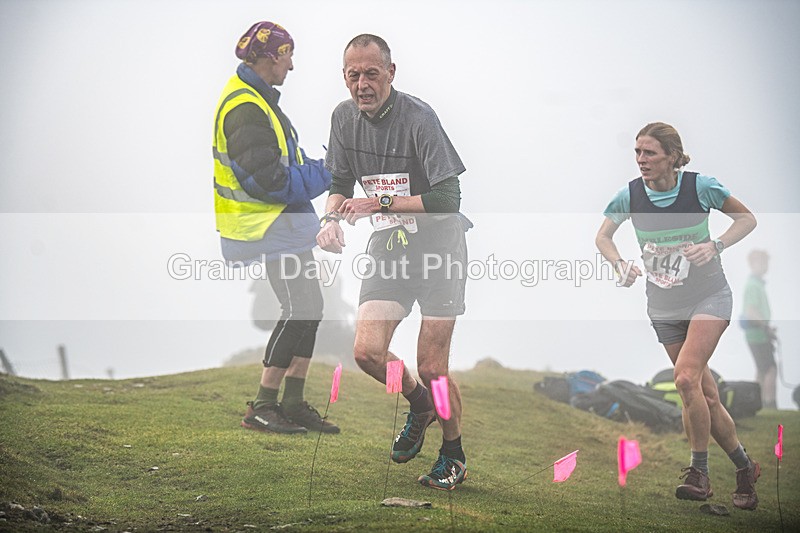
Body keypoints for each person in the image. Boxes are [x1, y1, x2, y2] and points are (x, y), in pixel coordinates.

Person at [316, 34, 470, 490]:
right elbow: (341, 182)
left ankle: (453, 453)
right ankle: (421, 405)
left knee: (434, 367)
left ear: (391, 73)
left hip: (441, 250)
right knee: (366, 352)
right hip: (389, 251)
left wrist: (379, 200)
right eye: (353, 75)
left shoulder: (419, 118)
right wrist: (330, 220)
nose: (362, 83)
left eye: (371, 73)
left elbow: (447, 197)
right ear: (345, 77)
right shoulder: (343, 118)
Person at [595, 122, 760, 509]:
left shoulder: (700, 187)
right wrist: (619, 264)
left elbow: (747, 218)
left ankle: (698, 472)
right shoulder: (630, 195)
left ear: (672, 155)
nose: (641, 160)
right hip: (663, 306)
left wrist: (716, 245)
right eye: (637, 152)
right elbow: (603, 236)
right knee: (703, 393)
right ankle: (744, 466)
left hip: (708, 296)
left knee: (685, 377)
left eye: (649, 152)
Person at [212, 21, 338, 435]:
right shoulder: (245, 107)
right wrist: (330, 173)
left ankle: (293, 402)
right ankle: (264, 406)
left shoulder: (260, 101)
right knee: (300, 307)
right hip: (266, 227)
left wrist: (322, 168)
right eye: (288, 55)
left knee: (311, 308)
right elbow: (274, 182)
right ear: (269, 57)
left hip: (281, 227)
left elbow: (289, 164)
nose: (292, 65)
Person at [742, 249, 777, 409]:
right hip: (758, 334)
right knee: (770, 368)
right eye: (761, 262)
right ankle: (769, 403)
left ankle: (756, 402)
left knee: (762, 369)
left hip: (756, 333)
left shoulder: (756, 284)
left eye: (765, 262)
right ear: (752, 264)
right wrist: (766, 327)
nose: (765, 265)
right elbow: (751, 311)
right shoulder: (753, 285)